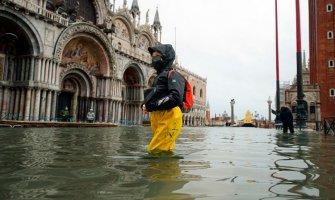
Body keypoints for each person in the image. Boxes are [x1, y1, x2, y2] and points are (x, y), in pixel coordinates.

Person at [142, 44, 185, 156]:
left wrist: (152, 105)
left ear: (166, 57)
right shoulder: (158, 77)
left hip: (170, 115)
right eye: (153, 55)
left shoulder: (174, 75)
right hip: (159, 117)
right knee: (164, 149)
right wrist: (145, 104)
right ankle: (167, 172)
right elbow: (157, 94)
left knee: (156, 151)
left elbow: (175, 97)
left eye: (157, 55)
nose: (154, 58)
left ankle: (162, 172)